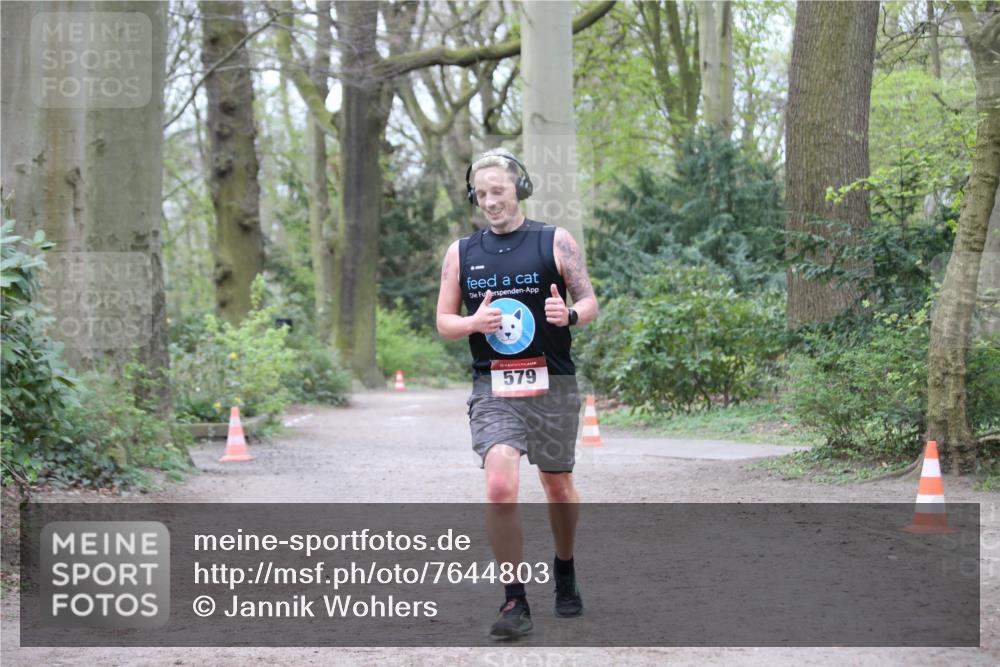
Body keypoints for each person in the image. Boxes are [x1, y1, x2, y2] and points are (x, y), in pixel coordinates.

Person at [435, 148, 599, 639]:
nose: (490, 201)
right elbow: (445, 322)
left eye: (498, 191)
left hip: (553, 385)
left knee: (556, 486)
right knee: (500, 486)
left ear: (519, 189)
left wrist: (568, 315)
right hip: (493, 387)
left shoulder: (555, 241)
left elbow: (589, 301)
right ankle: (514, 600)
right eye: (481, 194)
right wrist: (472, 322)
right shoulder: (461, 253)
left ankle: (564, 568)